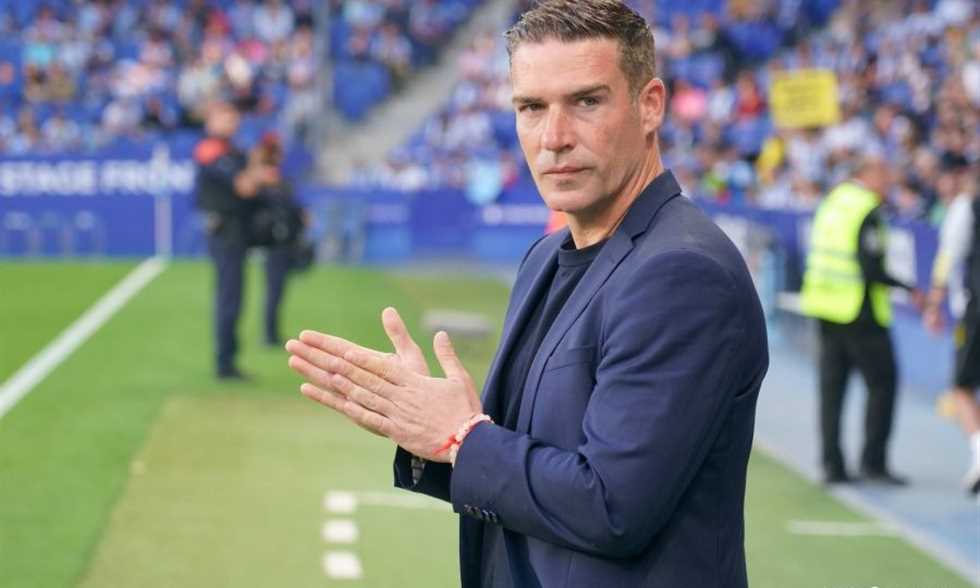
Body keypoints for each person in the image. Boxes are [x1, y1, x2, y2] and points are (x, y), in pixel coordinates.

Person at [286, 1, 768, 586]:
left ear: (650, 106)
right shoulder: (545, 257)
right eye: (531, 108)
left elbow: (611, 506)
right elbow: (533, 468)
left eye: (586, 102)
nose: (554, 138)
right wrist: (430, 429)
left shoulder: (683, 273)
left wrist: (462, 438)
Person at [800, 153, 924, 485]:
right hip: (859, 310)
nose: (888, 182)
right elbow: (871, 267)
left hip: (825, 306)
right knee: (883, 384)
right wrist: (909, 288)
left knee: (832, 389)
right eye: (884, 173)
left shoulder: (832, 202)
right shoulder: (865, 208)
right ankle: (874, 463)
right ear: (868, 173)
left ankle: (832, 465)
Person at [193, 101, 282, 379]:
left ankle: (228, 359)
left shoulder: (233, 150)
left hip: (237, 232)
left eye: (234, 119)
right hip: (225, 232)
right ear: (211, 121)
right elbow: (244, 187)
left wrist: (258, 162)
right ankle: (224, 363)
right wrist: (258, 172)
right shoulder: (211, 150)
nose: (231, 124)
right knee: (229, 298)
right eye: (225, 118)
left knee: (234, 297)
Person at [923, 161, 980, 496]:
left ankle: (978, 453)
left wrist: (934, 303)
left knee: (961, 385)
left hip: (974, 310)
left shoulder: (966, 207)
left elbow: (948, 256)